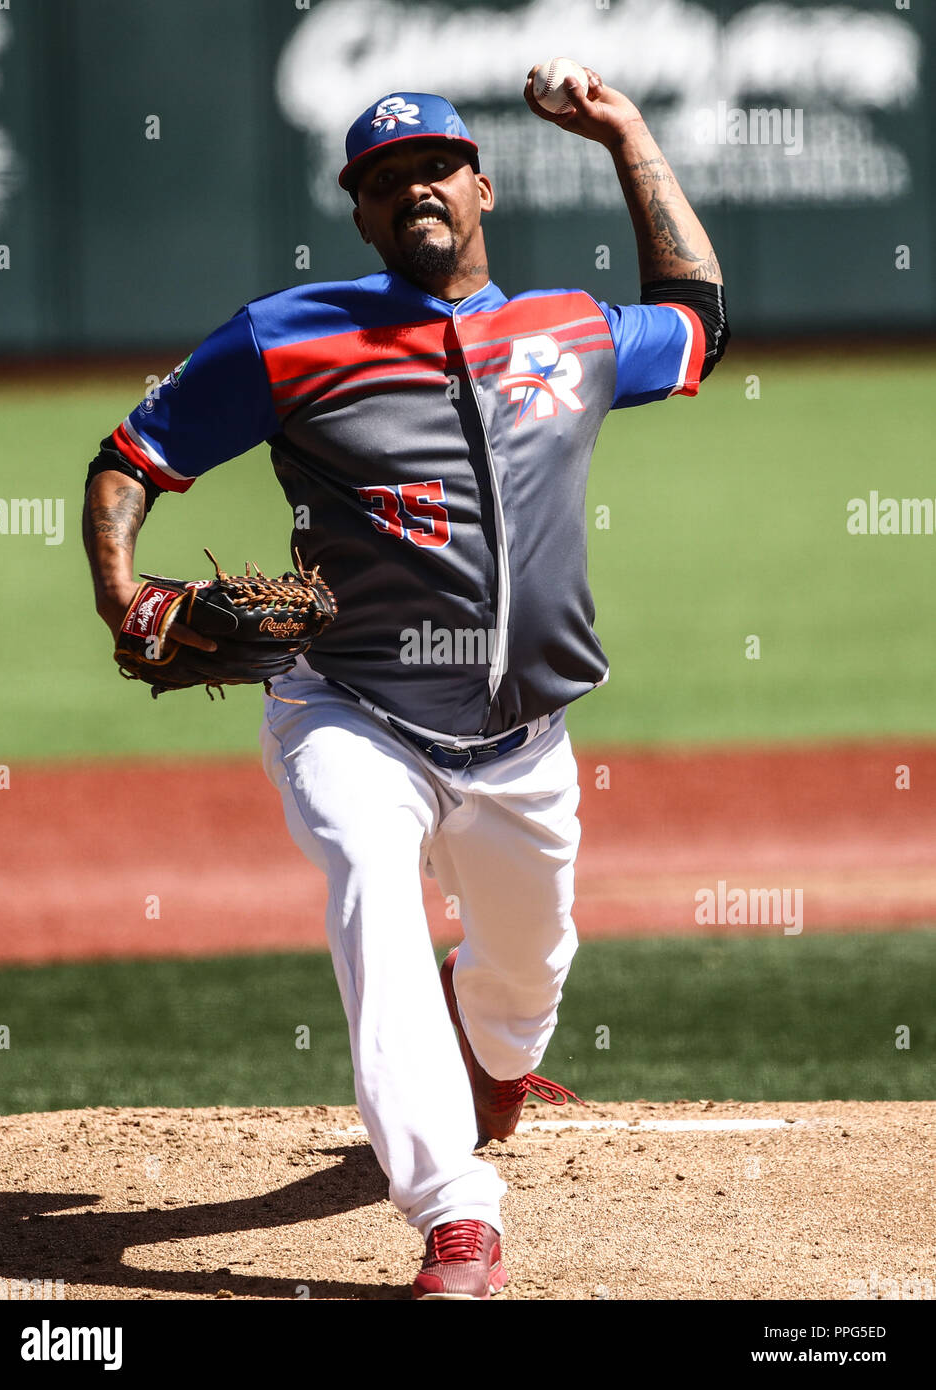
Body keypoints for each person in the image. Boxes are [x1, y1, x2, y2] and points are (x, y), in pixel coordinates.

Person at [82, 69, 728, 1300]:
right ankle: (454, 1218)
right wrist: (122, 593)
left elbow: (699, 317)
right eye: (383, 180)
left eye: (433, 165)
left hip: (524, 741)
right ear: (363, 217)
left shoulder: (573, 331)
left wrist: (627, 134)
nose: (412, 186)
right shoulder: (287, 335)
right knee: (372, 891)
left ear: (479, 186)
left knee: (528, 979)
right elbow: (130, 460)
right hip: (347, 713)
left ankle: (489, 1050)